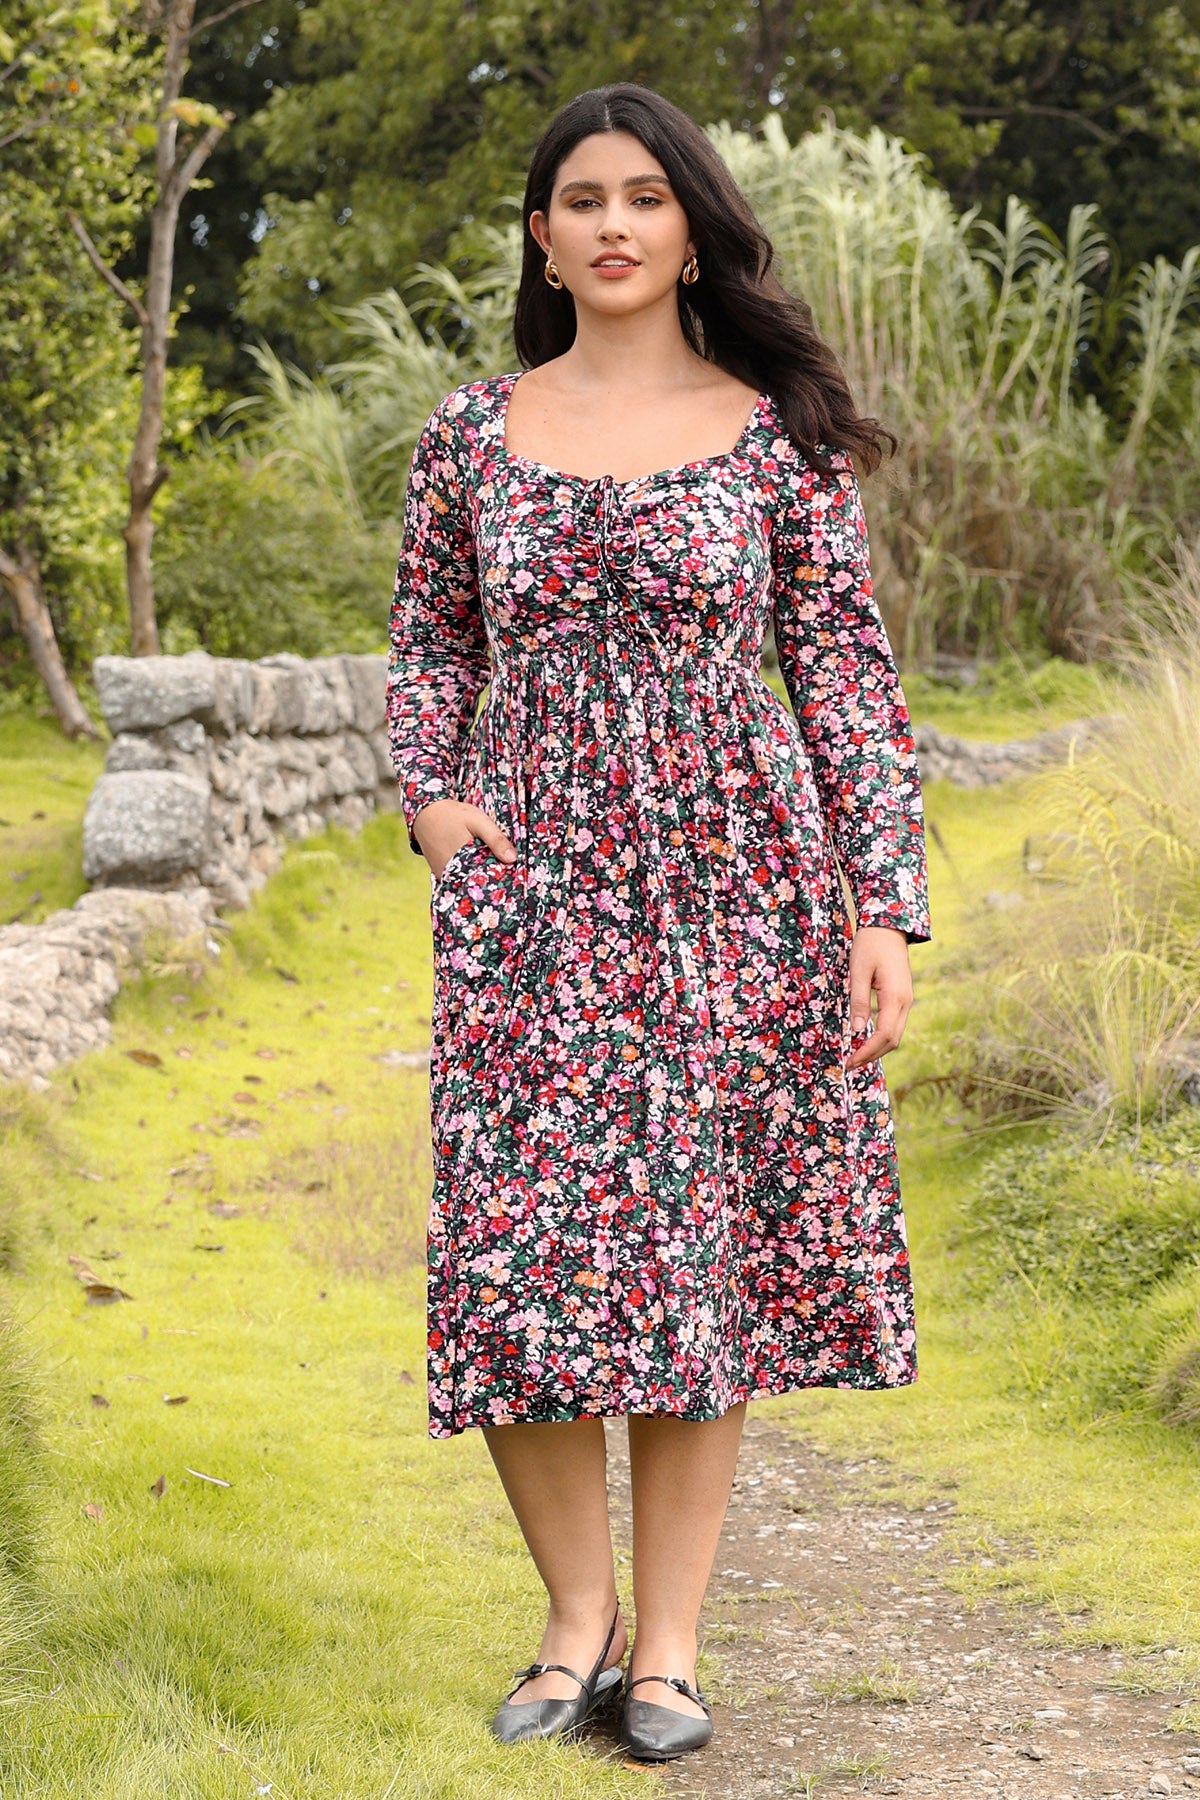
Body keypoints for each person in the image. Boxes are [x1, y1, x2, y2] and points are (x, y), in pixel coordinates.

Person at [386, 82, 932, 1765]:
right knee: (525, 1249)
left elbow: (846, 679)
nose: (613, 224)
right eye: (581, 200)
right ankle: (577, 1625)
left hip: (740, 886)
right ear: (541, 239)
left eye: (643, 196)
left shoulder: (776, 437)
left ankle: (673, 1648)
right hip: (533, 888)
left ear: (693, 227)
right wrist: (433, 801)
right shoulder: (470, 434)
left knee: (703, 1258)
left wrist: (884, 907)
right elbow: (430, 642)